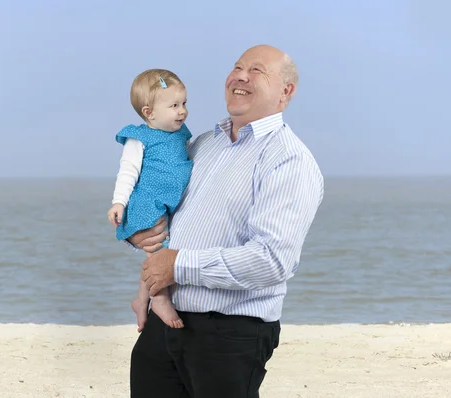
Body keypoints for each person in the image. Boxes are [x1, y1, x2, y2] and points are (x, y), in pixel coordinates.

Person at [126, 45, 325, 398]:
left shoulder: (289, 161)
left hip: (230, 334)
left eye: (257, 71)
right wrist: (137, 233)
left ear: (286, 91)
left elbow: (271, 260)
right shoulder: (203, 144)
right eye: (237, 67)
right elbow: (154, 199)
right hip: (164, 325)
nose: (241, 76)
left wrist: (176, 265)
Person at [107, 68, 193, 332]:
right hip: (148, 202)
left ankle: (141, 298)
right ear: (149, 113)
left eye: (184, 104)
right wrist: (119, 201)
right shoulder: (139, 137)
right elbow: (128, 171)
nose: (182, 111)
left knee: (159, 248)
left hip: (167, 202)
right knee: (159, 250)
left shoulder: (180, 133)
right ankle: (160, 298)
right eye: (174, 105)